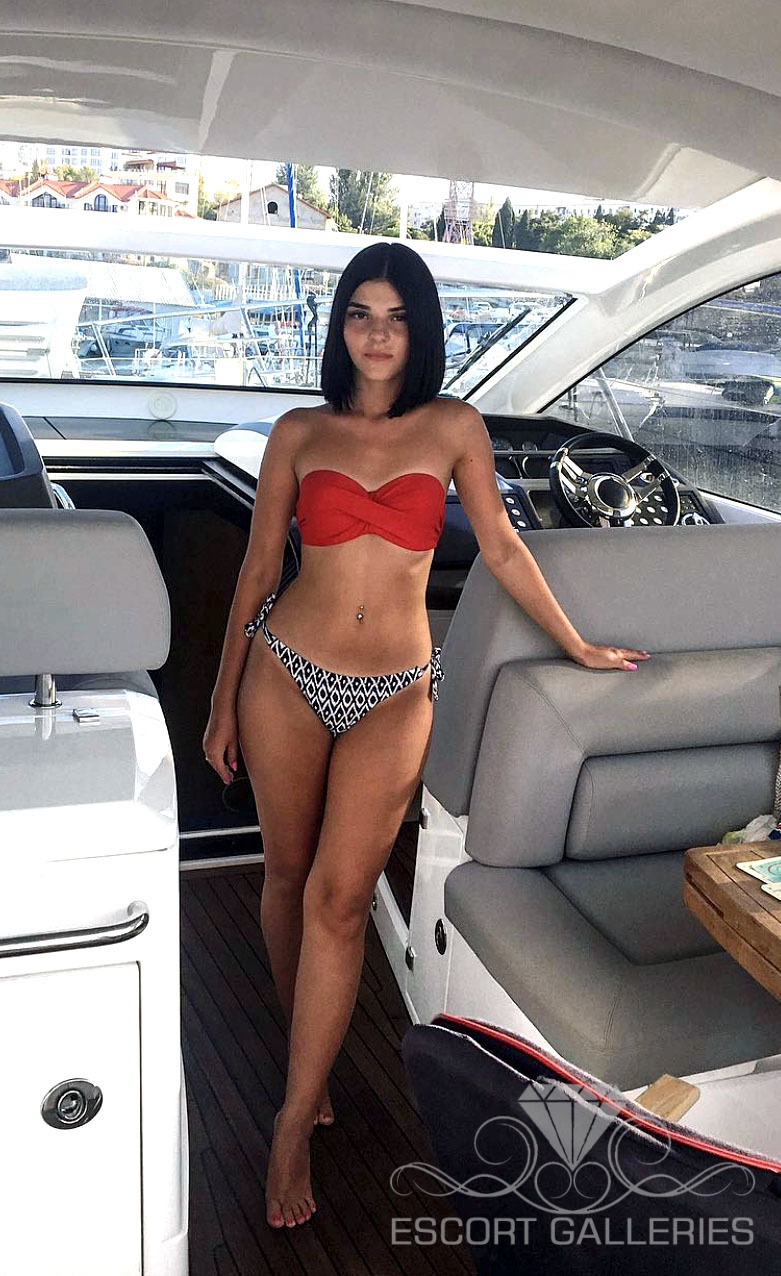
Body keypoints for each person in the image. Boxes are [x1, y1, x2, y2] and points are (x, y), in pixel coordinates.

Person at [202, 241, 651, 1229]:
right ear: (339, 330)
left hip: (397, 690)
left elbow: (502, 547)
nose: (377, 334)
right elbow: (256, 571)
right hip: (286, 674)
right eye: (360, 315)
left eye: (396, 317)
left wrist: (575, 643)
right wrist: (223, 699)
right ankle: (309, 1064)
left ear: (421, 331)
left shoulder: (453, 427)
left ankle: (288, 1121)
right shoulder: (298, 432)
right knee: (286, 876)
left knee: (341, 898)